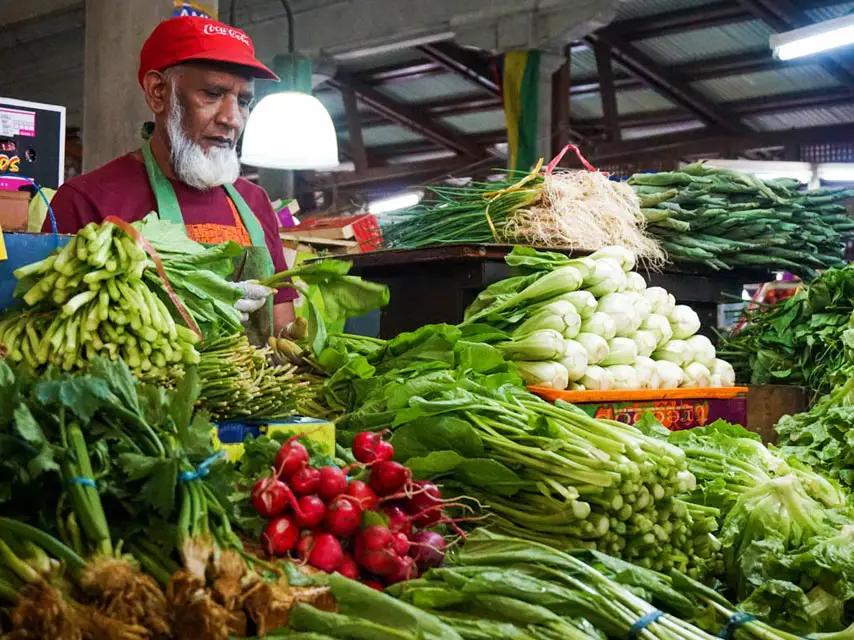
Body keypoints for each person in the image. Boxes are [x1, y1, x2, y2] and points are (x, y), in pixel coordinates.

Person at [44, 16, 297, 338]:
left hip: (253, 386)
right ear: (158, 92)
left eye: (244, 101)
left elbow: (283, 325)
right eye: (212, 94)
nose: (232, 119)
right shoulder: (86, 199)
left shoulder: (254, 201)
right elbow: (56, 336)